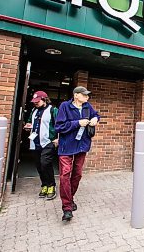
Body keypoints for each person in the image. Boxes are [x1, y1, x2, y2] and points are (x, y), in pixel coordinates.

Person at [55, 86, 100, 222]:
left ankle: (70, 197)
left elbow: (96, 115)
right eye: (84, 95)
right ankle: (67, 207)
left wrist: (95, 120)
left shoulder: (87, 106)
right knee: (65, 175)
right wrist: (77, 123)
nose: (87, 97)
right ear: (76, 95)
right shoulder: (65, 106)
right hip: (66, 146)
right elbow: (59, 126)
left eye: (87, 95)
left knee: (77, 174)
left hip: (82, 145)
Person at [23, 91, 59, 201]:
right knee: (39, 165)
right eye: (34, 102)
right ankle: (44, 185)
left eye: (37, 101)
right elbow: (30, 122)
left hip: (48, 141)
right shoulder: (34, 110)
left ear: (44, 99)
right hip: (35, 142)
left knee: (45, 163)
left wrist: (57, 138)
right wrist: (28, 125)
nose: (35, 103)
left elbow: (59, 125)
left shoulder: (53, 110)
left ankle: (51, 186)